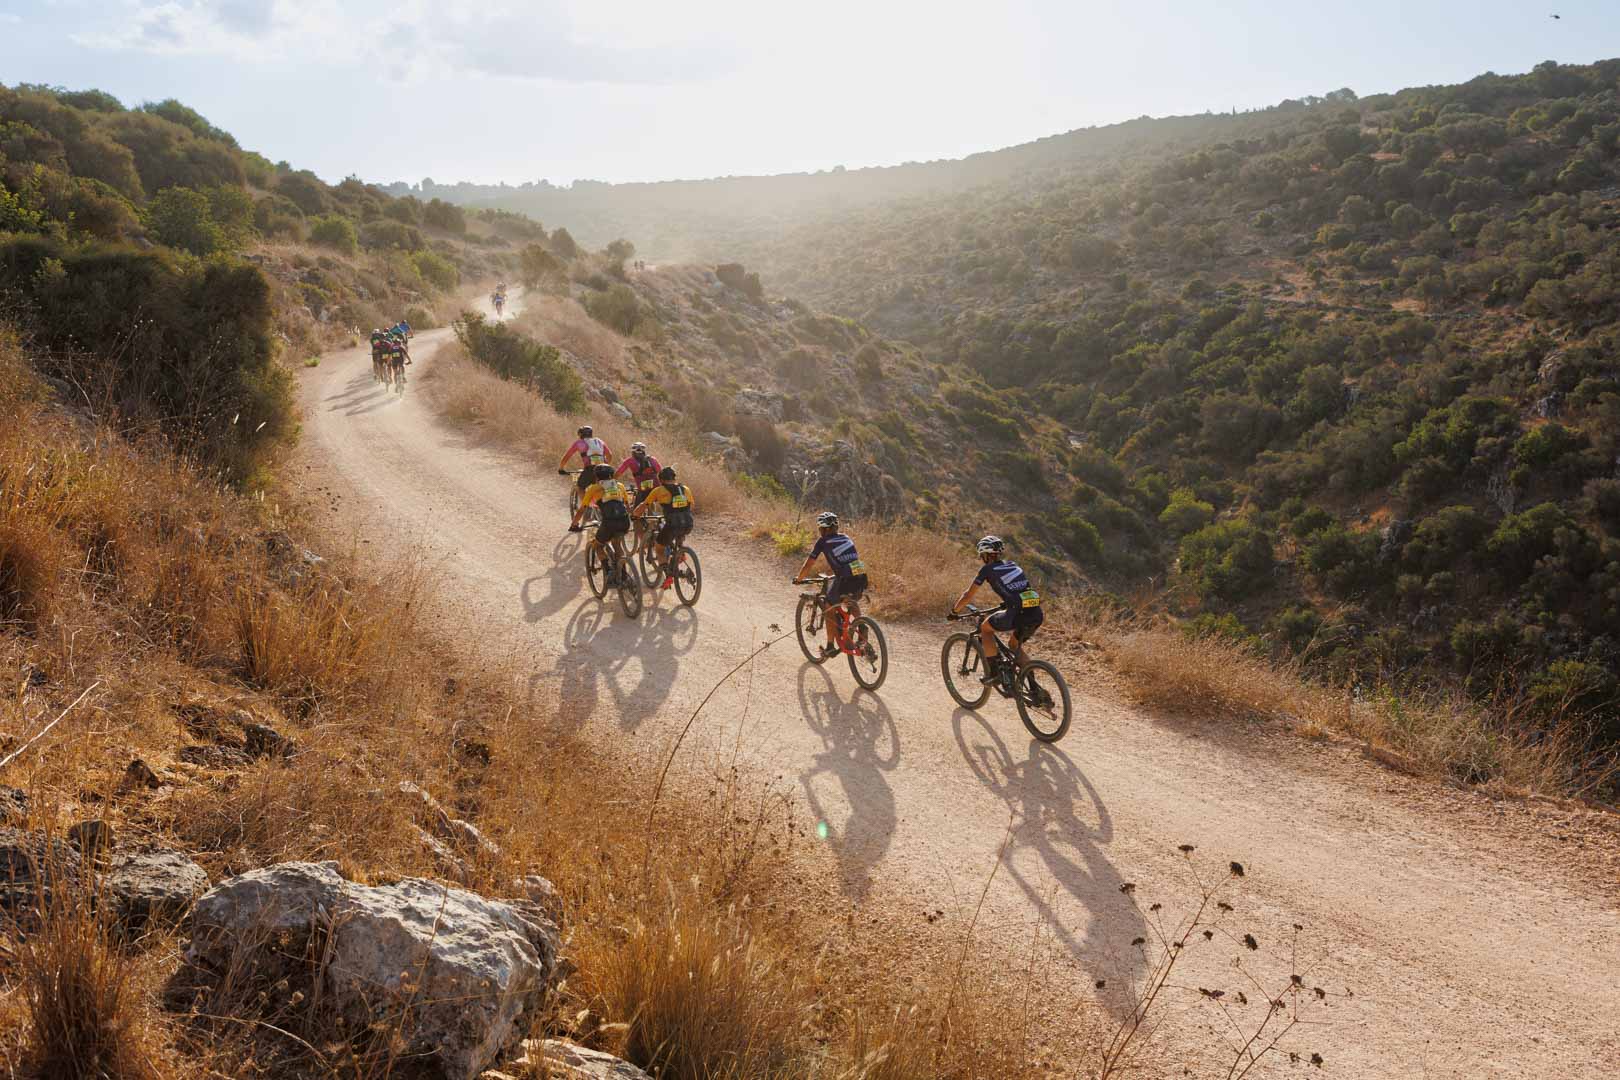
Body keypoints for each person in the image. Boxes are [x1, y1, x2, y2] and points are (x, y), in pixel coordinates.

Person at [950, 536, 1043, 684]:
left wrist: (954, 612)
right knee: (1013, 646)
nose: (981, 558)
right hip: (1035, 613)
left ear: (986, 555)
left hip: (1016, 614)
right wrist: (1006, 602)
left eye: (982, 555)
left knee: (985, 628)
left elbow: (968, 595)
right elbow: (1020, 589)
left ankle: (994, 674)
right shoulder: (1013, 565)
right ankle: (1034, 687)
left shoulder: (987, 569)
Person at [792, 511, 868, 658]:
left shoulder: (823, 541)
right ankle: (862, 626)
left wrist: (799, 579)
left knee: (828, 606)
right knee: (850, 599)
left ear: (824, 529)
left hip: (845, 577)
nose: (820, 531)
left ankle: (830, 646)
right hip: (861, 574)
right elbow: (849, 561)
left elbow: (809, 564)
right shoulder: (846, 537)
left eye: (820, 528)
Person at [632, 465, 694, 589]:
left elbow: (644, 505)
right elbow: (691, 506)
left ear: (661, 480)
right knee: (679, 534)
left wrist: (634, 515)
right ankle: (680, 552)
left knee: (659, 547)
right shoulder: (685, 489)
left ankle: (668, 575)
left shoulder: (659, 490)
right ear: (674, 478)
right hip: (688, 523)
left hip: (672, 524)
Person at [578, 463, 633, 574]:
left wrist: (574, 524)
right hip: (624, 521)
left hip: (609, 523)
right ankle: (623, 574)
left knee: (598, 546)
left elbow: (582, 508)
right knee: (617, 545)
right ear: (611, 475)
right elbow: (627, 506)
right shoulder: (620, 486)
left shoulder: (594, 488)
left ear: (596, 476)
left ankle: (608, 571)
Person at [560, 426, 613, 528]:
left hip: (590, 469)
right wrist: (605, 465)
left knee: (580, 487)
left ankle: (587, 506)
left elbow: (567, 456)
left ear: (580, 435)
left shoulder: (579, 443)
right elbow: (610, 455)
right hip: (604, 469)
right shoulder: (599, 441)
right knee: (602, 488)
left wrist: (561, 468)